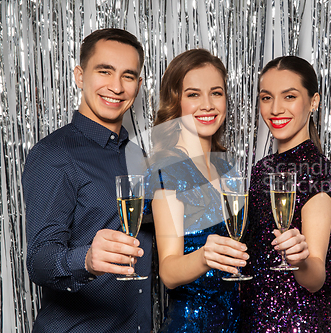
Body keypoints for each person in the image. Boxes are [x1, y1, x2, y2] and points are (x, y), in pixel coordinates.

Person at [22, 28, 152, 332]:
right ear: (80, 76)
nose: (116, 86)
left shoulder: (139, 156)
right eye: (104, 71)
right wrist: (87, 260)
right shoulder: (53, 154)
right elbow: (39, 259)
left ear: (139, 84)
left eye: (128, 76)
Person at [147, 48, 245, 332]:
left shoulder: (228, 169)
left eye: (216, 93)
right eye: (193, 94)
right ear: (175, 102)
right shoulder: (168, 170)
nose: (208, 104)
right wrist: (204, 256)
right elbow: (168, 271)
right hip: (192, 325)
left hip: (235, 321)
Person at [240, 56, 331, 332]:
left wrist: (300, 260)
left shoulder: (317, 170)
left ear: (314, 101)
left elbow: (316, 276)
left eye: (289, 96)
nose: (275, 109)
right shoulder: (262, 169)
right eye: (266, 97)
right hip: (253, 318)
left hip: (296, 323)